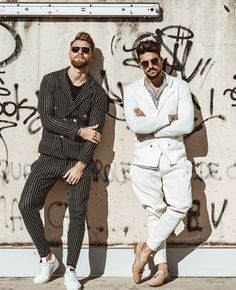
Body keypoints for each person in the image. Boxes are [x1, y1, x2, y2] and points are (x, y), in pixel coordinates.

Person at [19, 32, 107, 290]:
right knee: (26, 204)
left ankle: (71, 269)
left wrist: (81, 165)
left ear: (91, 56)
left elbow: (96, 135)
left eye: (85, 50)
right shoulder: (51, 81)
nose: (80, 53)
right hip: (49, 155)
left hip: (77, 160)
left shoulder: (97, 93)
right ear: (70, 52)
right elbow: (47, 120)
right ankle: (47, 259)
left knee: (78, 215)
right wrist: (79, 130)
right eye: (76, 48)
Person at [123, 40, 194, 287]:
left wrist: (150, 126)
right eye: (145, 63)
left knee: (181, 204)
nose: (151, 66)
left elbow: (186, 125)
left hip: (174, 157)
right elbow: (135, 126)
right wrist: (166, 118)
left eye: (155, 61)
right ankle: (162, 268)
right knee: (155, 212)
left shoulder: (180, 87)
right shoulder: (132, 90)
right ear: (140, 65)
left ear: (161, 60)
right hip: (144, 161)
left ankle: (145, 252)